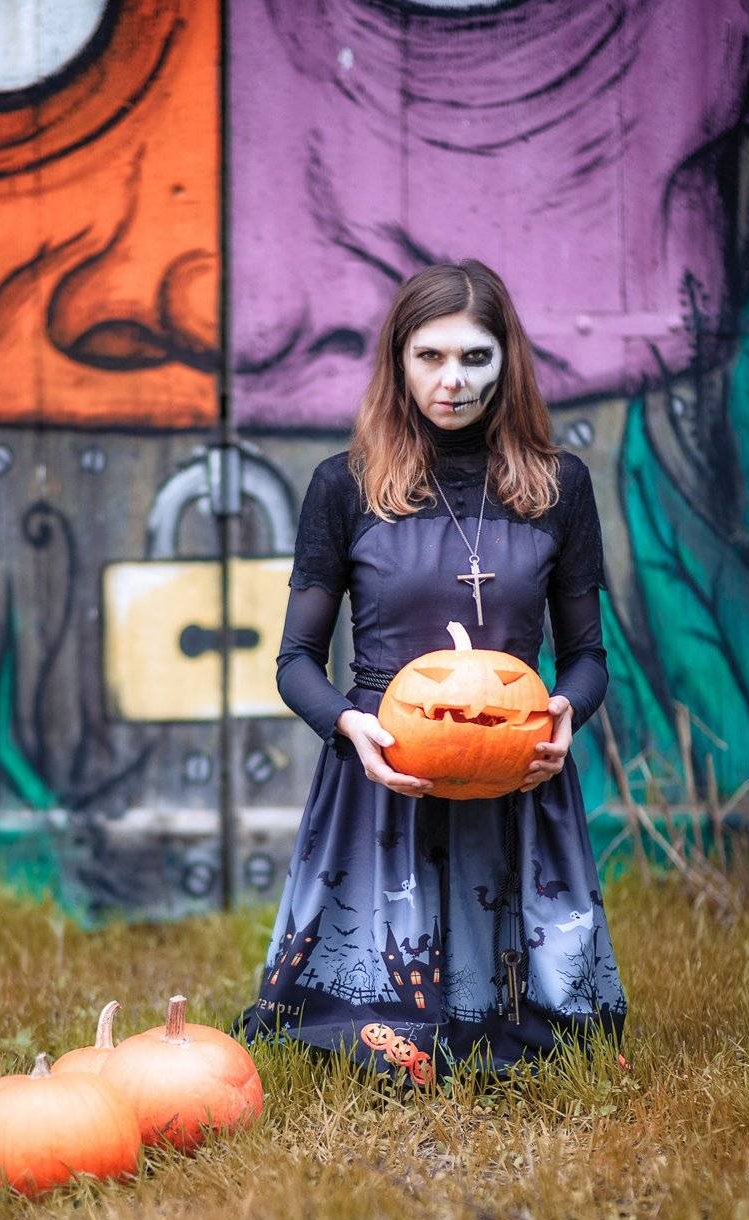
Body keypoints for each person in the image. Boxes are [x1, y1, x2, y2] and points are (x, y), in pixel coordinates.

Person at [229, 260, 628, 1088]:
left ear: (506, 361)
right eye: (430, 357)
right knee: (359, 1029)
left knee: (543, 1038)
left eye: (475, 357)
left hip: (514, 763)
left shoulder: (558, 487)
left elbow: (587, 656)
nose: (452, 380)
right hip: (384, 767)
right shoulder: (343, 486)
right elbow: (295, 662)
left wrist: (564, 713)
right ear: (399, 361)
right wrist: (349, 726)